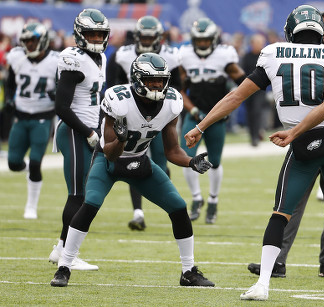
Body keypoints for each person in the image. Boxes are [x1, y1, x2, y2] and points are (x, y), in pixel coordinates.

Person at [185, 5, 324, 301]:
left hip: (303, 143)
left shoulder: (274, 53)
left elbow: (236, 96)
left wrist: (200, 126)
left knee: (280, 213)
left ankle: (263, 283)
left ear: (290, 32)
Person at [50, 53, 215, 288]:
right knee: (91, 203)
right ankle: (64, 267)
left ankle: (188, 272)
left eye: (160, 80)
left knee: (178, 207)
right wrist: (120, 139)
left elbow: (172, 151)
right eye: (151, 80)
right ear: (138, 79)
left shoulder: (171, 103)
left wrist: (190, 162)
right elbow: (109, 152)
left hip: (139, 161)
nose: (157, 85)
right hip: (109, 163)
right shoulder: (119, 100)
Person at [247, 10, 324, 279]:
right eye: (321, 25)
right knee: (293, 202)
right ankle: (278, 261)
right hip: (304, 139)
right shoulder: (294, 57)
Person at [106, 15, 183, 231]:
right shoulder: (123, 54)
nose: (147, 40)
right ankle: (138, 212)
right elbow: (111, 84)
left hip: (159, 113)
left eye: (151, 37)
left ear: (159, 37)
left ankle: (165, 201)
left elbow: (176, 86)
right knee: (133, 160)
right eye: (144, 36)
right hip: (129, 113)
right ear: (137, 36)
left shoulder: (171, 55)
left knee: (161, 161)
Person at [48, 8, 110, 271]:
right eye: (91, 33)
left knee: (83, 193)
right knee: (78, 194)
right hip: (75, 131)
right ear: (79, 34)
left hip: (89, 131)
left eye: (100, 33)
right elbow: (61, 107)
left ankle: (61, 250)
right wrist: (88, 132)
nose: (96, 38)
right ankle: (65, 255)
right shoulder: (73, 59)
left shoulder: (101, 58)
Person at [179, 17, 246, 224]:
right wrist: (192, 108)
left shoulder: (224, 55)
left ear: (214, 39)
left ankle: (213, 201)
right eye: (199, 40)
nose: (202, 44)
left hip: (216, 117)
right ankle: (196, 198)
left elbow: (245, 84)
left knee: (215, 162)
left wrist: (228, 105)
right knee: (186, 156)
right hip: (195, 114)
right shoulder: (185, 55)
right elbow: (179, 89)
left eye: (206, 40)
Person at [4, 22, 59, 219]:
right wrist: (9, 100)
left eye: (33, 40)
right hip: (20, 117)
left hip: (42, 119)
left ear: (43, 40)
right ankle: (31, 171)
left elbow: (64, 89)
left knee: (36, 163)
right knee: (13, 163)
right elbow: (10, 84)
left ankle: (31, 206)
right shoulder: (17, 57)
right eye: (26, 41)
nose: (29, 44)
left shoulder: (55, 61)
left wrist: (57, 98)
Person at [240, 33, 269, 147]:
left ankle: (257, 135)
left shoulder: (264, 56)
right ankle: (252, 136)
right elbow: (242, 73)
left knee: (257, 111)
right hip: (247, 89)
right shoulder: (246, 57)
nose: (260, 45)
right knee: (250, 113)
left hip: (260, 89)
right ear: (252, 44)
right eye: (258, 43)